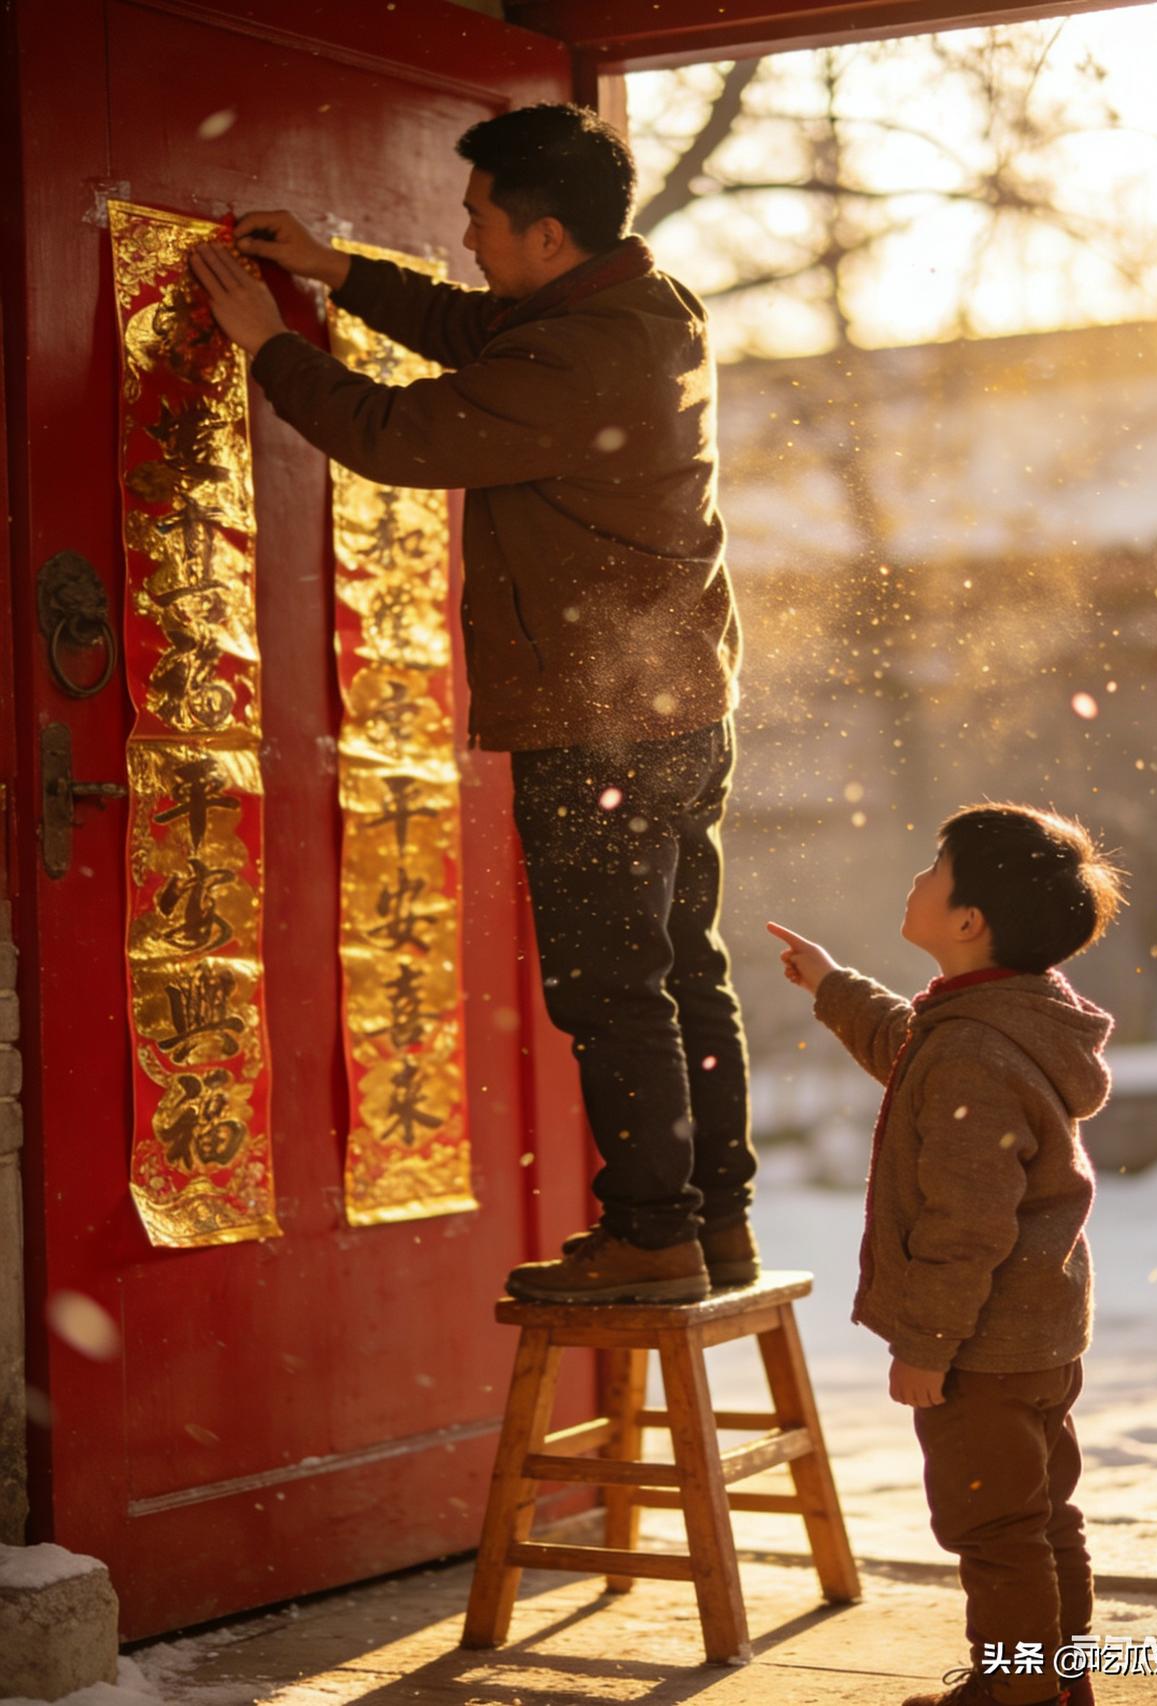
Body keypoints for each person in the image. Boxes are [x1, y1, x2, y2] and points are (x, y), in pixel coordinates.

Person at [190, 102, 756, 1305]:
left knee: (610, 986)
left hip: (597, 716)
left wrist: (265, 343)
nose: (467, 239)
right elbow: (479, 329)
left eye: (479, 220)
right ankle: (716, 1220)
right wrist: (334, 272)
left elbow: (395, 431)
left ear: (547, 234)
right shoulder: (638, 306)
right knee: (676, 972)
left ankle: (654, 1232)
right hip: (675, 703)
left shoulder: (577, 356)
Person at [768, 804, 1124, 1706]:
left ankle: (1016, 1699)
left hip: (983, 1342)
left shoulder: (972, 1048)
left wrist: (927, 1343)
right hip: (1039, 1333)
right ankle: (1056, 1683)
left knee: (995, 1527)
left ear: (968, 922)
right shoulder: (1006, 1019)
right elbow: (911, 1053)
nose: (917, 879)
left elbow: (968, 1222)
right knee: (1044, 1518)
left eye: (935, 869)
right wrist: (833, 984)